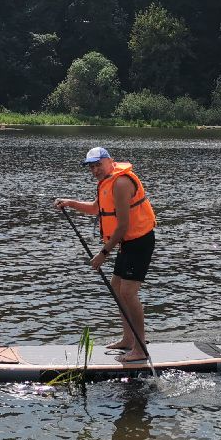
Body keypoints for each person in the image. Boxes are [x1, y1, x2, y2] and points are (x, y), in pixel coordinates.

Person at [54, 146, 157, 362]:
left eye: (98, 165)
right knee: (117, 287)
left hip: (139, 241)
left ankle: (140, 348)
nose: (95, 170)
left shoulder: (120, 183)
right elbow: (95, 208)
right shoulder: (106, 182)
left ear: (110, 161)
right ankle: (128, 339)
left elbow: (122, 226)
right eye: (91, 167)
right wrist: (70, 203)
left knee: (128, 292)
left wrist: (103, 254)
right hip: (127, 243)